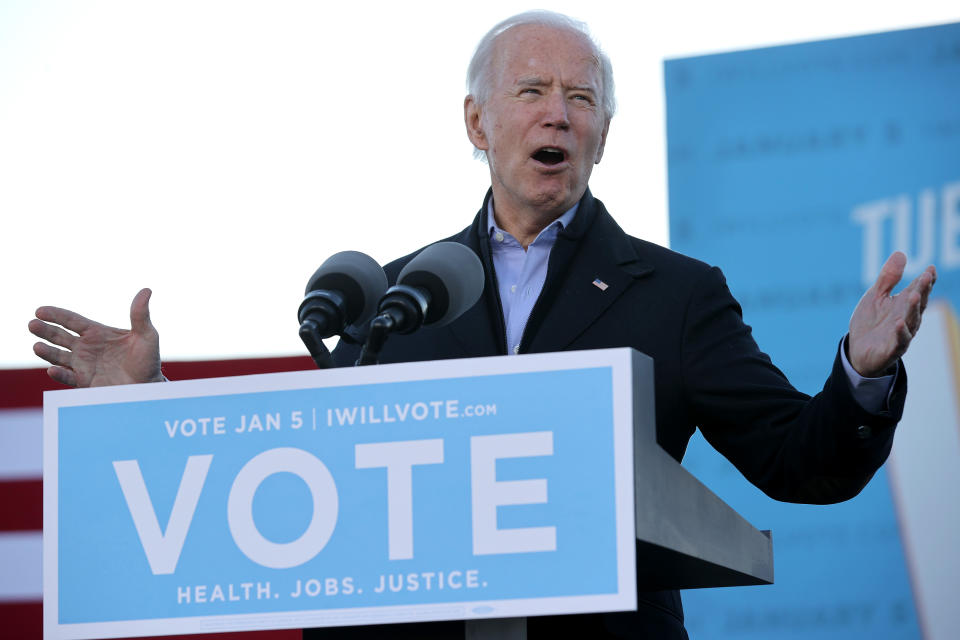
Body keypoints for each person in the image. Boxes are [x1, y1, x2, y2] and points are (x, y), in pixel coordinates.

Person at [29, 10, 936, 639]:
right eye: (532, 91)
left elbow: (800, 462)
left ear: (603, 133)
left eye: (581, 100)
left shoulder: (678, 293)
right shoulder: (397, 300)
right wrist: (147, 407)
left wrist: (861, 371)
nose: (557, 114)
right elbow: (293, 485)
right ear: (477, 119)